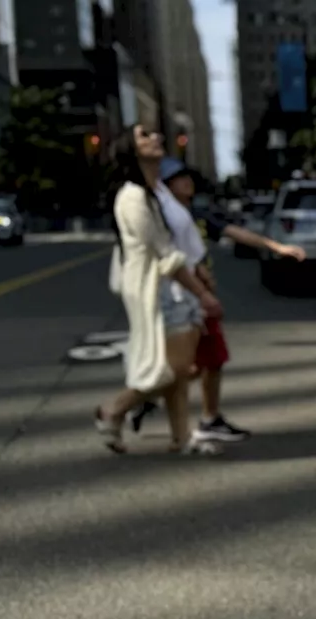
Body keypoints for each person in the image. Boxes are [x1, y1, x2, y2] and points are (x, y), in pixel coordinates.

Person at [127, 157, 306, 442]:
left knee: (203, 363)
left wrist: (275, 246)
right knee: (199, 362)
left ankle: (156, 402)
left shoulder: (195, 215)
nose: (187, 182)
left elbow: (233, 232)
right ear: (164, 186)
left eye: (188, 177)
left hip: (197, 294)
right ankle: (143, 403)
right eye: (178, 179)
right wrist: (200, 290)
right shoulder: (162, 219)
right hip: (183, 296)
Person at [94, 124, 224, 456]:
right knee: (178, 367)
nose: (156, 138)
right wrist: (202, 293)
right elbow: (165, 255)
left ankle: (181, 438)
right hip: (156, 289)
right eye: (145, 136)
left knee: (178, 368)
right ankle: (116, 409)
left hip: (171, 287)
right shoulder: (132, 197)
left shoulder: (152, 192)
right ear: (130, 149)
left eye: (155, 134)